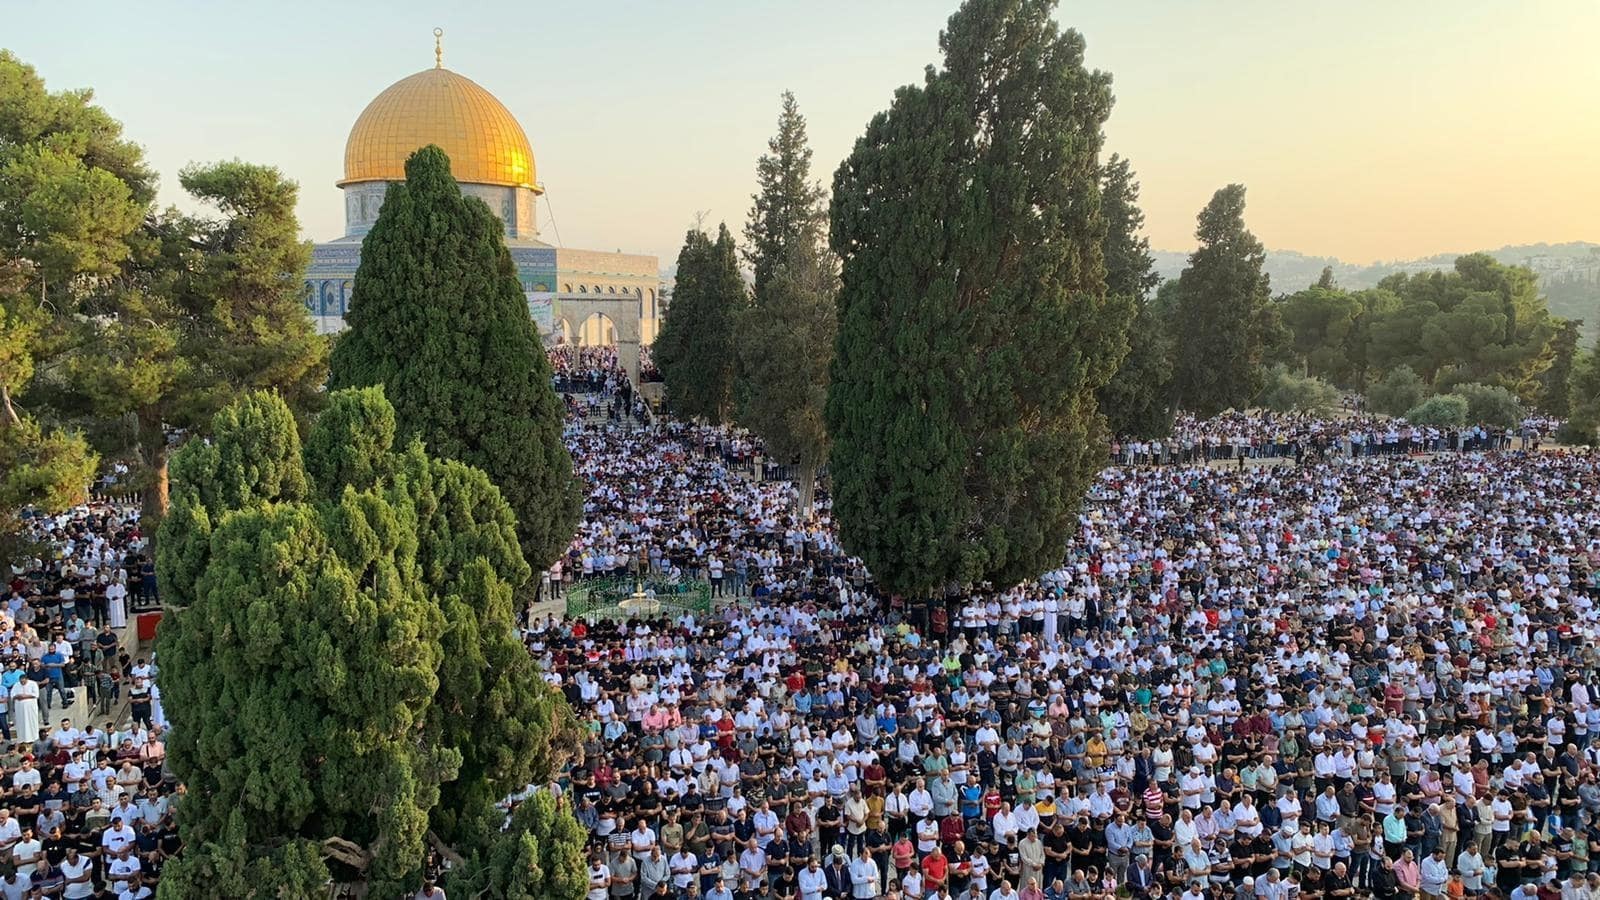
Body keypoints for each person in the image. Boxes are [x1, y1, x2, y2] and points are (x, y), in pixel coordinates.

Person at [8, 677, 39, 745]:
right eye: (21, 682)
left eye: (24, 681)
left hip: (30, 707)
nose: (22, 683)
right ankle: (22, 739)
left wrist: (25, 696)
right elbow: (12, 695)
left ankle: (33, 738)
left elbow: (36, 694)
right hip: (20, 708)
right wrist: (18, 696)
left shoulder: (33, 684)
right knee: (21, 722)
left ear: (26, 679)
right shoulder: (16, 685)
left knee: (31, 721)